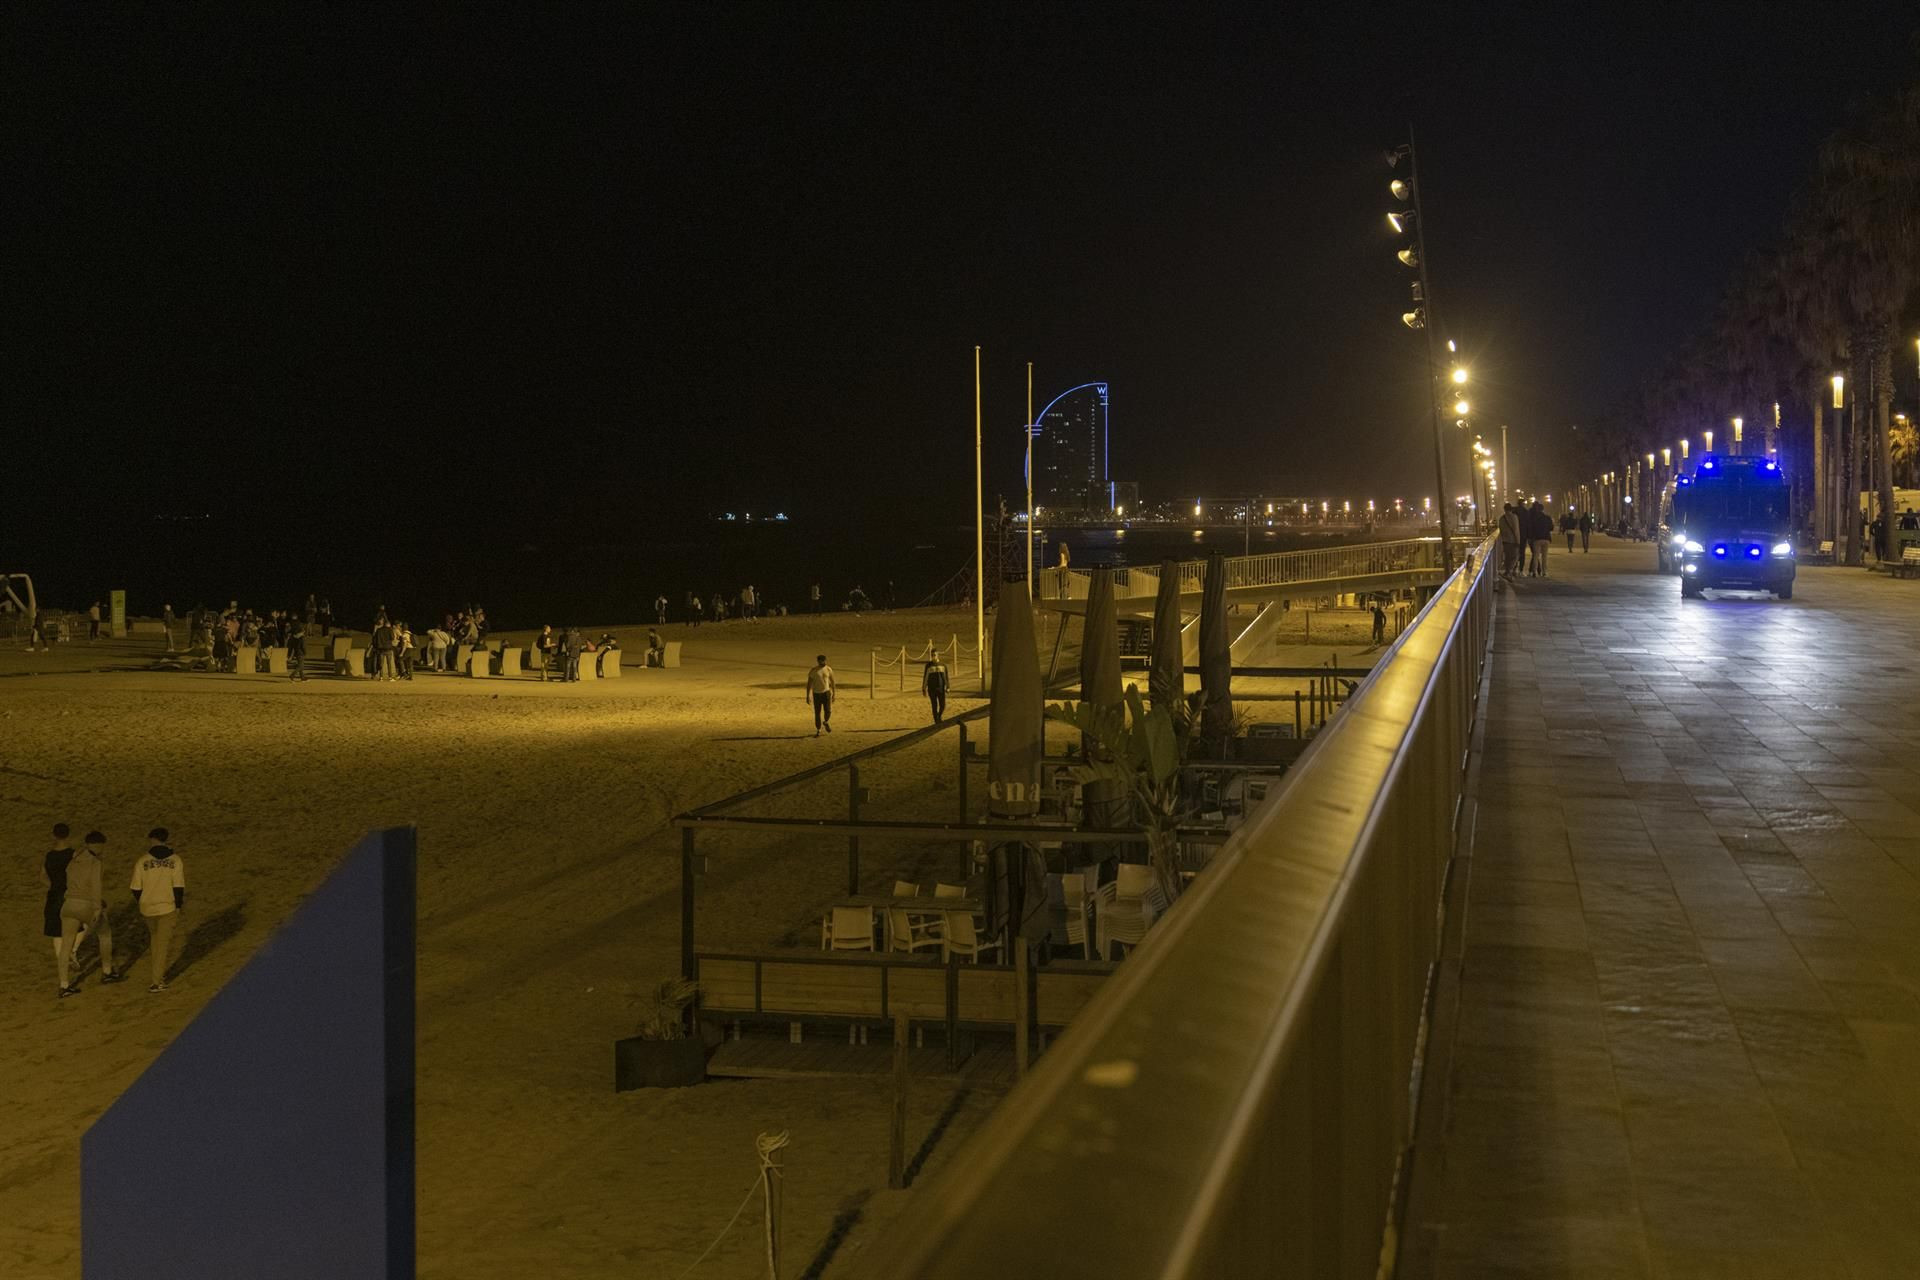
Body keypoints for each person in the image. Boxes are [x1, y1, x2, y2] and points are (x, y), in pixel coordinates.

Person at [59, 831, 122, 995]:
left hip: (68, 904)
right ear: (99, 845)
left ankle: (64, 985)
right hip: (86, 905)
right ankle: (107, 972)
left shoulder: (73, 862)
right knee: (105, 934)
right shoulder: (96, 862)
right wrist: (97, 908)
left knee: (66, 945)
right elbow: (96, 887)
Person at [129, 828, 186, 993]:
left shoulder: (142, 861)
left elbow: (135, 888)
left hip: (147, 909)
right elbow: (178, 887)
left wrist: (143, 901)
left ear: (152, 839)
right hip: (167, 907)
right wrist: (178, 906)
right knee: (161, 945)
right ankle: (157, 981)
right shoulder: (175, 860)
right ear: (166, 839)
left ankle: (157, 976)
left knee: (155, 942)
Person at [40, 824, 79, 990]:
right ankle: (72, 951)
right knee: (80, 926)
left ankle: (63, 971)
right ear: (68, 834)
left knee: (56, 932)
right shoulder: (74, 854)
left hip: (54, 897)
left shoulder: (49, 855)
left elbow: (42, 877)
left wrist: (53, 886)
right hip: (70, 896)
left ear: (54, 835)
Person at [805, 653, 835, 736]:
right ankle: (818, 729)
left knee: (828, 710)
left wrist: (834, 694)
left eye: (824, 661)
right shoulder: (814, 671)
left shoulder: (828, 669)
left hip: (826, 692)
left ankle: (826, 722)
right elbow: (809, 684)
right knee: (817, 713)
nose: (823, 662)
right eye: (821, 661)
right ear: (818, 661)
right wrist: (808, 696)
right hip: (816, 694)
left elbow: (832, 682)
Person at [922, 644, 948, 723]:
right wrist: (923, 688)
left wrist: (948, 686)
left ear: (938, 655)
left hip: (941, 688)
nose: (933, 656)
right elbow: (925, 677)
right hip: (931, 689)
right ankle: (936, 720)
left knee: (943, 705)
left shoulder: (943, 665)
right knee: (934, 705)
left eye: (935, 655)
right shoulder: (928, 665)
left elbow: (946, 677)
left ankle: (939, 716)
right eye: (932, 655)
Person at [1527, 501, 1552, 577]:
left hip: (1537, 539)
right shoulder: (1547, 518)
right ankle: (1544, 572)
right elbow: (1551, 527)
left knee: (1536, 556)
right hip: (1546, 538)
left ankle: (1534, 572)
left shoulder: (1535, 519)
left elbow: (1531, 528)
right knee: (1545, 556)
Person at [1498, 504, 1522, 579]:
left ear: (1504, 509)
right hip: (1513, 540)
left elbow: (1501, 530)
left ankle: (1507, 572)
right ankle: (1509, 572)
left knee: (1507, 557)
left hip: (1505, 541)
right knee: (1515, 556)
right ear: (1511, 509)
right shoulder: (1514, 517)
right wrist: (1518, 541)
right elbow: (1516, 530)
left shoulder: (1501, 518)